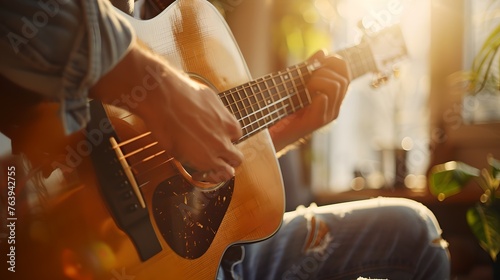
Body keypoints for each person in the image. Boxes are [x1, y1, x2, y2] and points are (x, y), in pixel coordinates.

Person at [0, 0, 450, 279]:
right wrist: (156, 85)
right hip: (34, 220)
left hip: (189, 261)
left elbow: (178, 179)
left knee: (415, 233)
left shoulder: (163, 18)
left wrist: (285, 132)